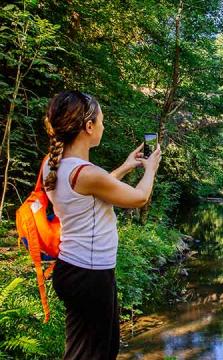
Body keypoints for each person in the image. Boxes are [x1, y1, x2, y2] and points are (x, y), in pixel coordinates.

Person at [42, 90, 162, 359]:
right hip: (91, 273)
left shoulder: (53, 164)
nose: (103, 126)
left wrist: (125, 167)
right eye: (102, 121)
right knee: (97, 353)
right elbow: (139, 198)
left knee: (80, 349)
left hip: (71, 267)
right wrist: (150, 169)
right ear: (88, 126)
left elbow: (90, 190)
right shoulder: (85, 173)